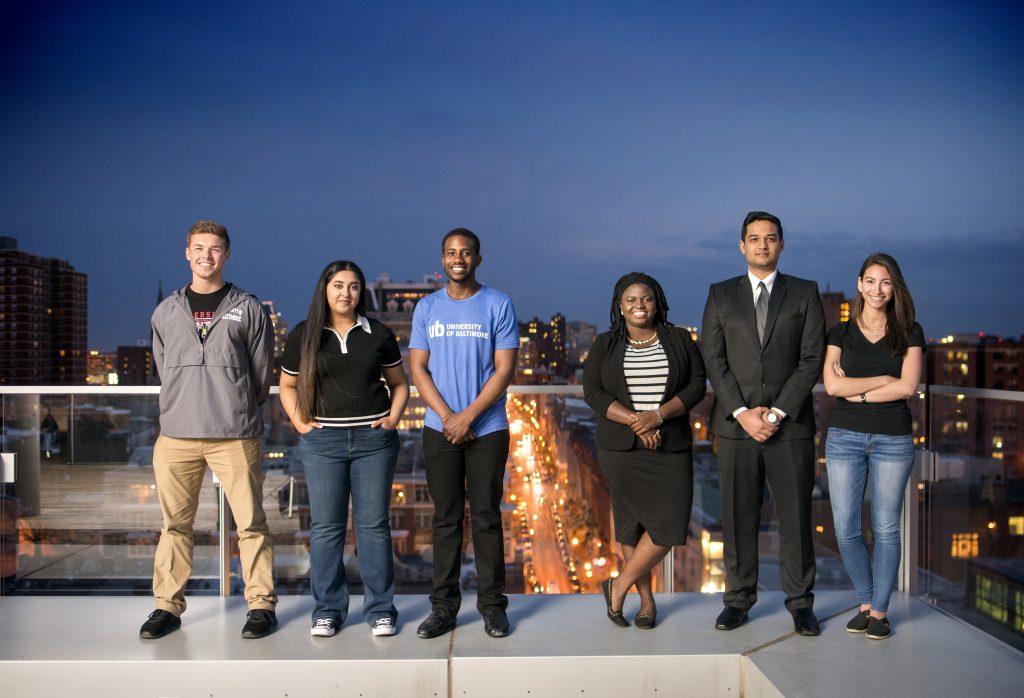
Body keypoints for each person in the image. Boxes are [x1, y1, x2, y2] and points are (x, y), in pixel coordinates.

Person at [141, 220, 278, 640]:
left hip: (234, 432)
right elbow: (165, 370)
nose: (206, 255)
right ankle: (167, 606)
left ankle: (260, 605)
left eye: (215, 248)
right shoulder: (165, 310)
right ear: (187, 253)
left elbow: (260, 375)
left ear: (227, 254)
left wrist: (232, 405)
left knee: (251, 523)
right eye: (198, 248)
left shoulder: (249, 308)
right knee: (175, 525)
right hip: (176, 435)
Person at [701, 211, 825, 635]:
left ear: (782, 244)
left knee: (794, 517)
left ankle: (800, 603)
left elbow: (812, 361)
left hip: (790, 427)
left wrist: (774, 413)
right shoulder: (720, 294)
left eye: (770, 238)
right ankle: (738, 599)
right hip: (736, 427)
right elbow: (712, 359)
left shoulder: (805, 293)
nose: (762, 245)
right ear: (742, 245)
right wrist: (742, 412)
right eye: (754, 238)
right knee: (738, 518)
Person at [279, 260, 409, 638]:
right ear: (325, 289)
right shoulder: (304, 334)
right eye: (338, 285)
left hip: (374, 442)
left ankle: (381, 611)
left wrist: (393, 419)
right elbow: (287, 387)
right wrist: (301, 424)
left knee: (373, 528)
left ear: (360, 292)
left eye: (353, 286)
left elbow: (400, 384)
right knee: (325, 530)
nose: (345, 293)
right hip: (323, 443)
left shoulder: (378, 333)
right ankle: (327, 611)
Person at [409, 228, 518, 640]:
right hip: (440, 429)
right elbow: (417, 367)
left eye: (466, 252)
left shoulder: (498, 303)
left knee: (487, 518)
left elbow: (504, 370)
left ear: (477, 259)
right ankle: (443, 609)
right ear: (443, 260)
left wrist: (468, 416)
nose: (458, 258)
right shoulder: (427, 308)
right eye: (451, 253)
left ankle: (492, 607)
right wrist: (447, 416)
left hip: (488, 428)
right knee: (445, 520)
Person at [583, 272, 706, 629]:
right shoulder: (605, 343)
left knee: (669, 526)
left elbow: (697, 385)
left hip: (671, 446)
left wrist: (658, 416)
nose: (640, 306)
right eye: (631, 300)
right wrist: (639, 421)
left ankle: (618, 585)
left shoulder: (679, 339)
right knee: (630, 526)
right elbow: (593, 392)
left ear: (658, 303)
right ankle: (647, 603)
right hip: (621, 449)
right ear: (619, 307)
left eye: (647, 299)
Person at [823, 253, 924, 640]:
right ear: (860, 283)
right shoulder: (840, 334)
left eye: (885, 282)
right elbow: (832, 388)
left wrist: (860, 392)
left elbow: (907, 388)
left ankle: (879, 612)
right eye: (870, 281)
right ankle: (865, 601)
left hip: (892, 438)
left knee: (885, 528)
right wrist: (883, 377)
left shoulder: (910, 331)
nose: (877, 289)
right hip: (844, 437)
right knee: (846, 528)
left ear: (894, 287)